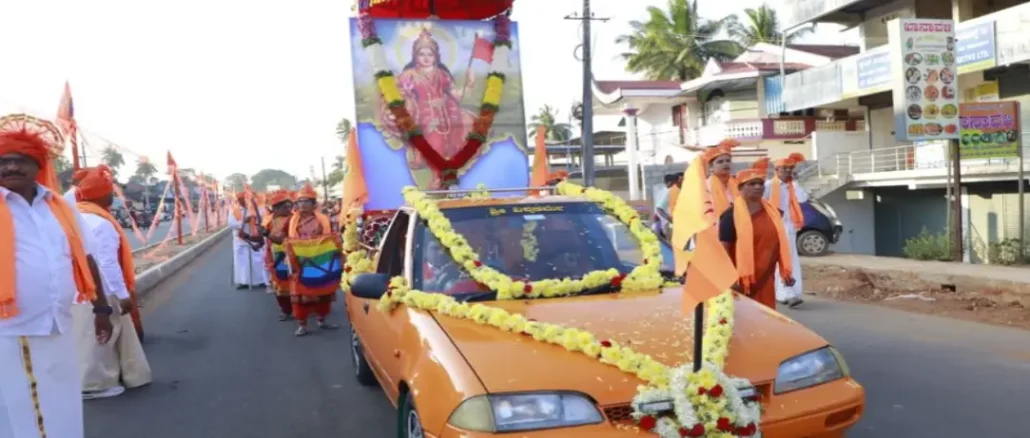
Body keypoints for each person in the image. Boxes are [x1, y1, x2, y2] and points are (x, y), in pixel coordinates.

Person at [0, 117, 114, 438]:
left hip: (57, 323)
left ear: (37, 166)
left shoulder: (60, 207)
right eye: (3, 161)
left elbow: (87, 258)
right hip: (14, 329)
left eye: (20, 161)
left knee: (61, 405)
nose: (10, 168)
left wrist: (102, 309)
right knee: (25, 412)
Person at [64, 166, 152, 399]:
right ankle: (94, 384)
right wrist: (123, 295)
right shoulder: (101, 223)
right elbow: (106, 264)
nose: (113, 196)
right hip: (100, 289)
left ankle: (115, 376)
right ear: (103, 195)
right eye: (110, 192)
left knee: (87, 337)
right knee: (101, 336)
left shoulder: (74, 215)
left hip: (76, 289)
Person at [718, 169, 795, 309]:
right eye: (752, 184)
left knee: (766, 320)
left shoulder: (773, 213)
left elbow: (778, 245)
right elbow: (723, 250)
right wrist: (730, 279)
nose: (758, 187)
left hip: (766, 279)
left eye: (760, 183)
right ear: (740, 188)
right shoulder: (730, 216)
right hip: (740, 282)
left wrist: (786, 271)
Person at [286, 184, 338, 336]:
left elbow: (332, 237)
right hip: (300, 261)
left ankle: (323, 320)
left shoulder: (323, 219)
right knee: (300, 294)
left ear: (314, 204)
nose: (302, 204)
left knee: (324, 291)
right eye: (300, 201)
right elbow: (284, 239)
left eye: (306, 201)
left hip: (321, 259)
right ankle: (302, 324)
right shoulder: (292, 221)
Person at [764, 154, 807, 307]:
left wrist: (795, 182)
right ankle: (784, 293)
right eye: (784, 168)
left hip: (790, 228)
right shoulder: (769, 186)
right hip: (773, 228)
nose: (787, 171)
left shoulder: (792, 186)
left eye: (790, 168)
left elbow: (802, 199)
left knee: (791, 260)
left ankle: (790, 292)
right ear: (776, 170)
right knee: (780, 261)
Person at [262, 190, 295, 321]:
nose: (288, 209)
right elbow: (261, 238)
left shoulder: (295, 219)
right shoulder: (268, 221)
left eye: (289, 206)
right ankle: (287, 311)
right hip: (275, 255)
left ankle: (302, 310)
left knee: (297, 282)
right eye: (284, 207)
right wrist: (248, 236)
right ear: (275, 208)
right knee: (280, 284)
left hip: (293, 254)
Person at [228, 193, 268, 289]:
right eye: (240, 200)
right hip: (240, 240)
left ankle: (260, 280)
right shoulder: (234, 210)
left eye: (244, 199)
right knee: (242, 262)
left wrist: (255, 217)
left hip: (255, 239)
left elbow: (264, 221)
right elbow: (231, 224)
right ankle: (243, 282)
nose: (242, 202)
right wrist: (243, 222)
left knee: (257, 260)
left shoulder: (258, 208)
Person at [705, 142, 738, 217]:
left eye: (728, 161)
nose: (725, 164)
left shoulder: (737, 185)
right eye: (720, 162)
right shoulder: (706, 187)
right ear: (711, 167)